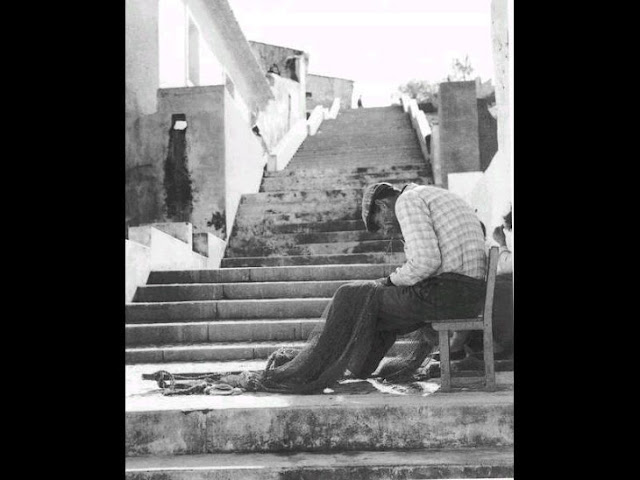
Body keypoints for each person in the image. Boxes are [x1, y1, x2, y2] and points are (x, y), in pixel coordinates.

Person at [356, 182, 488, 376]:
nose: (385, 231)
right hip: (471, 295)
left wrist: (389, 281)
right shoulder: (429, 194)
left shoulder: (407, 201)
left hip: (451, 293)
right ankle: (363, 366)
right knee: (392, 303)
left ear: (382, 205)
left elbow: (426, 263)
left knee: (368, 301)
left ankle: (358, 368)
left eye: (380, 224)